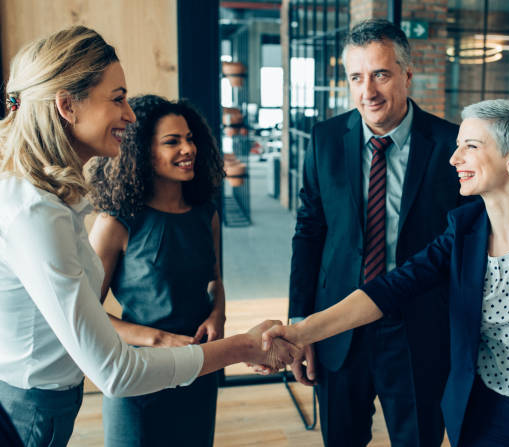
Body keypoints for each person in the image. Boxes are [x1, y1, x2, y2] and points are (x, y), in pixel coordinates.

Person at [0, 26, 294, 447]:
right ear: (67, 106)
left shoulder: (49, 200)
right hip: (35, 410)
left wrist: (217, 322)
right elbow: (115, 372)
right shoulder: (35, 212)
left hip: (56, 403)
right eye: (117, 98)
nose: (130, 114)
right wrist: (244, 347)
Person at [264, 99, 509, 447]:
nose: (454, 158)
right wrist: (300, 330)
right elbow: (390, 288)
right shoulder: (463, 229)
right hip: (481, 412)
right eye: (458, 145)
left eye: (470, 146)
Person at [287, 18, 462, 447]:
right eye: (356, 77)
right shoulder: (325, 139)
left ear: (406, 74)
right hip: (338, 327)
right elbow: (309, 232)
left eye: (381, 74)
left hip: (417, 327)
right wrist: (301, 321)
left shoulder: (451, 146)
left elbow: (463, 245)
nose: (368, 91)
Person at [87, 95, 224, 446]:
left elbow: (215, 280)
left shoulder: (205, 213)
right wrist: (158, 339)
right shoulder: (115, 223)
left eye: (190, 138)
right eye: (172, 141)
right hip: (139, 374)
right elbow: (86, 315)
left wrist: (218, 315)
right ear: (142, 151)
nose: (188, 149)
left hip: (198, 366)